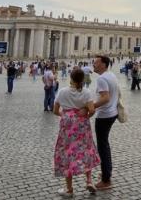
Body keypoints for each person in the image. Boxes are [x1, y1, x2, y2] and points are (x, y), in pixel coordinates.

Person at [53, 68, 100, 196]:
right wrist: (84, 116)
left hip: (67, 125)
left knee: (67, 152)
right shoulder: (86, 92)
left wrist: (66, 115)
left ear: (71, 78)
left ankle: (69, 189)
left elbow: (55, 110)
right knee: (86, 149)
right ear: (82, 79)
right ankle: (89, 181)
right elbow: (92, 110)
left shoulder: (62, 92)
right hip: (82, 125)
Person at [93, 55, 119, 190]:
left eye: (96, 63)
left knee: (102, 147)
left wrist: (91, 106)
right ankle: (106, 172)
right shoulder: (111, 75)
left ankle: (106, 179)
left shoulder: (102, 78)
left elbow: (105, 98)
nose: (94, 64)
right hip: (113, 113)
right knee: (105, 145)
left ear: (103, 64)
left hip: (104, 115)